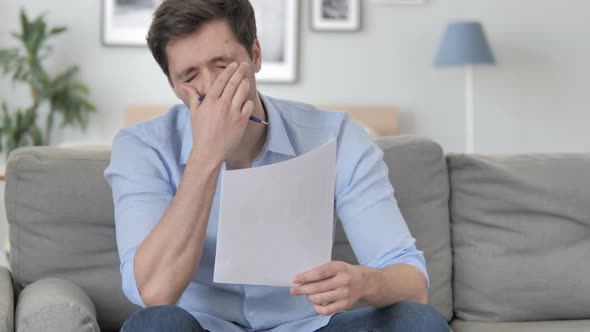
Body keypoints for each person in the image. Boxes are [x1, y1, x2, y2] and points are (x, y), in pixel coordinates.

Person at [105, 0, 449, 331]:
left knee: (420, 323)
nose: (211, 88)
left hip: (308, 327)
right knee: (154, 325)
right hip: (201, 327)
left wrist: (363, 283)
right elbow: (154, 293)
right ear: (174, 86)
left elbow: (412, 283)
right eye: (190, 76)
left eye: (222, 66)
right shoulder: (142, 147)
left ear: (255, 55)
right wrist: (206, 155)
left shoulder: (335, 137)